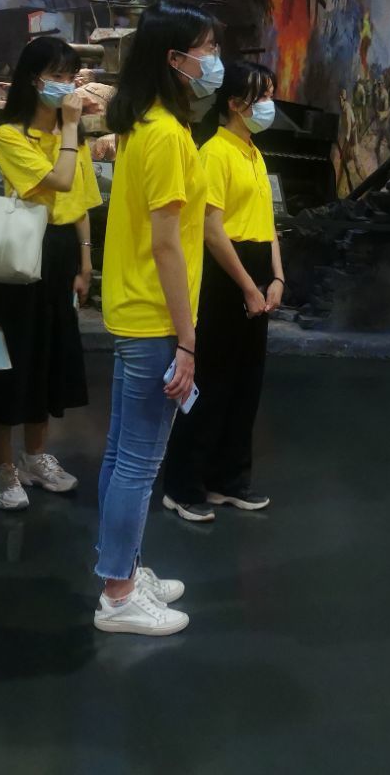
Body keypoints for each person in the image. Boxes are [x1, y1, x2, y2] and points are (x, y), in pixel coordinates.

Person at [93, 1, 220, 636]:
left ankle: (120, 568)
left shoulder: (143, 123)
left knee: (122, 456)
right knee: (139, 464)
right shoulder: (167, 134)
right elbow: (167, 244)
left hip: (132, 307)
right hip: (154, 317)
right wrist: (188, 338)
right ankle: (118, 595)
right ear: (175, 59)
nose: (213, 61)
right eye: (206, 50)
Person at [0, 37, 102, 510]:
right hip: (19, 255)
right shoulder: (11, 135)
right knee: (8, 363)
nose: (67, 86)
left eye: (70, 76)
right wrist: (71, 127)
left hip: (60, 254)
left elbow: (79, 202)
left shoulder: (71, 136)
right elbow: (59, 181)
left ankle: (35, 456)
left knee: (47, 359)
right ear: (32, 79)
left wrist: (86, 263)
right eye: (57, 76)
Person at [162, 60, 283, 522]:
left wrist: (277, 277)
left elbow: (268, 223)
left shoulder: (254, 153)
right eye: (261, 96)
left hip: (256, 272)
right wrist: (248, 287)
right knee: (210, 384)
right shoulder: (214, 152)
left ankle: (228, 479)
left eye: (270, 94)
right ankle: (183, 484)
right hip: (225, 276)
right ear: (234, 103)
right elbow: (212, 230)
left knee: (246, 385)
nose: (269, 104)